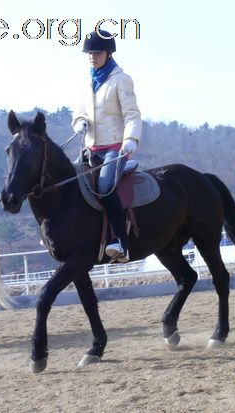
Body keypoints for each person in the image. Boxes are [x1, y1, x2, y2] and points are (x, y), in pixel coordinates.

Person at [72, 29, 142, 263]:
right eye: (89, 53)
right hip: (91, 148)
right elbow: (79, 112)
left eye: (97, 52)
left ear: (109, 53)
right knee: (71, 182)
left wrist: (131, 139)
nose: (92, 56)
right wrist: (80, 122)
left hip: (115, 147)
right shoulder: (85, 81)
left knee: (104, 186)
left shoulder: (121, 80)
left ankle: (121, 242)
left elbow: (132, 114)